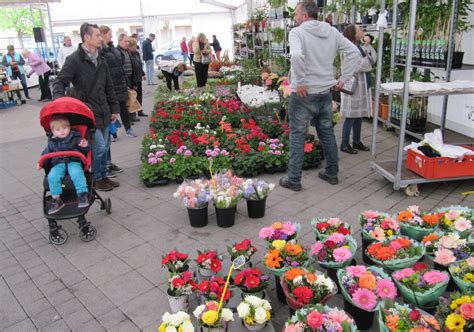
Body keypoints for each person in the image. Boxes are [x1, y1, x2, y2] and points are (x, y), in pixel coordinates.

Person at [279, 1, 360, 191]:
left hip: (304, 94)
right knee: (327, 133)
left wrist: (299, 82)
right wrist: (343, 78)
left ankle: (294, 179)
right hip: (325, 92)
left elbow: (297, 57)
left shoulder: (297, 33)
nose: (295, 18)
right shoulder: (331, 31)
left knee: (298, 136)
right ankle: (331, 173)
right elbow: (354, 52)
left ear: (305, 15)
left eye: (297, 14)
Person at [53, 22, 120, 192]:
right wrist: (59, 103)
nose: (100, 38)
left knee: (104, 146)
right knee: (98, 147)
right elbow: (60, 81)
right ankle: (97, 179)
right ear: (87, 37)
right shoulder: (74, 60)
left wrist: (114, 108)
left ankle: (103, 175)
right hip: (87, 112)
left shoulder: (101, 59)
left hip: (104, 109)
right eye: (97, 35)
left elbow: (109, 86)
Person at [37, 115, 90, 214]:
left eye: (65, 128)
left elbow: (85, 150)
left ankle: (82, 194)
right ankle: (56, 199)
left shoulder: (76, 138)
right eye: (58, 129)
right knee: (52, 176)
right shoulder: (52, 143)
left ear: (69, 128)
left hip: (73, 160)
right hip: (58, 163)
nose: (62, 131)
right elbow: (45, 153)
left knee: (76, 172)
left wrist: (85, 145)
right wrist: (40, 162)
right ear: (53, 132)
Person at [340, 26, 377, 154]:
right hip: (353, 84)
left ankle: (356, 141)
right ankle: (344, 143)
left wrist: (367, 46)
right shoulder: (348, 47)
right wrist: (367, 63)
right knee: (351, 115)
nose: (362, 31)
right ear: (353, 33)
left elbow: (373, 60)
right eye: (359, 29)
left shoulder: (360, 45)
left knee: (359, 115)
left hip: (360, 83)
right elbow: (358, 65)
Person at [99, 26, 137, 138]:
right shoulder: (100, 50)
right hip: (110, 84)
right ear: (102, 35)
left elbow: (121, 67)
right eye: (109, 34)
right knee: (111, 110)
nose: (111, 36)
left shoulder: (112, 49)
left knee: (123, 107)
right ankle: (113, 133)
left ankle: (128, 128)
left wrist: (126, 83)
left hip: (119, 82)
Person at [117, 33, 140, 124]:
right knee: (125, 101)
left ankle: (131, 116)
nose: (127, 43)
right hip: (123, 79)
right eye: (125, 41)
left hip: (130, 78)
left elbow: (132, 65)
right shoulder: (118, 52)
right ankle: (127, 120)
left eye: (128, 41)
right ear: (120, 41)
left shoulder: (126, 51)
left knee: (131, 98)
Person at [128, 37, 147, 117]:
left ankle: (140, 111)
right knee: (133, 97)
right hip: (133, 79)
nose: (136, 47)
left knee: (139, 95)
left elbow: (139, 65)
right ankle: (132, 114)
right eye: (134, 46)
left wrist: (143, 73)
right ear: (130, 46)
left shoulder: (136, 54)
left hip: (138, 77)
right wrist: (134, 82)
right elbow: (132, 68)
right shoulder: (129, 55)